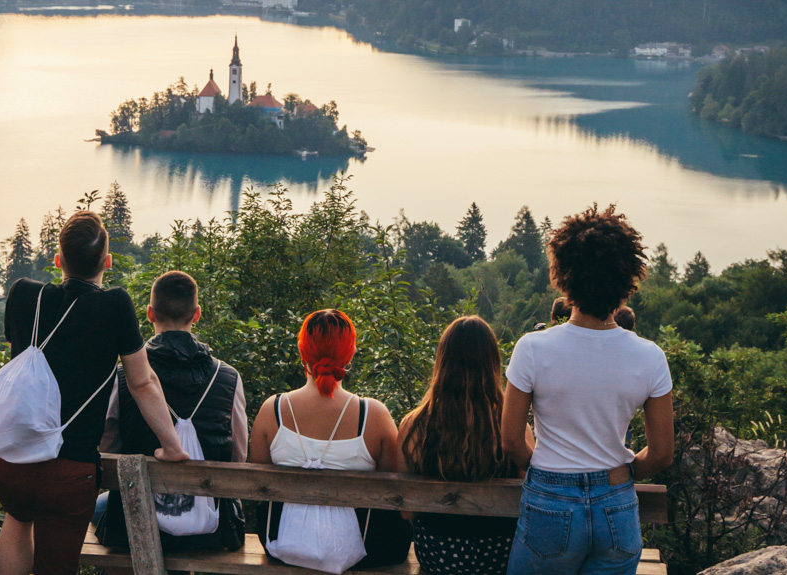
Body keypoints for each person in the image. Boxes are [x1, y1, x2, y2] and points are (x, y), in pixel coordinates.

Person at [0, 211, 188, 575]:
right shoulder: (114, 305)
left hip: (9, 461)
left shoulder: (22, 295)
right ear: (107, 262)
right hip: (69, 469)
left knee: (17, 519)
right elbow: (142, 383)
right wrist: (172, 445)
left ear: (58, 260)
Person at [501, 205, 675, 575]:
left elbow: (511, 441)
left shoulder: (532, 349)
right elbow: (661, 454)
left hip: (549, 501)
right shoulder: (650, 357)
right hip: (617, 506)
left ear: (563, 277)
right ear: (628, 280)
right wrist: (622, 474)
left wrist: (548, 473)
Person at [96, 270, 247, 551]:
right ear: (197, 313)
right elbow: (238, 454)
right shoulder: (228, 378)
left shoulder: (123, 376)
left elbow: (109, 446)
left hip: (132, 527)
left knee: (100, 505)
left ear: (150, 313)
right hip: (211, 530)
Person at [251, 309, 411, 570]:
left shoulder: (273, 410)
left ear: (302, 352)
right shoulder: (374, 415)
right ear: (350, 354)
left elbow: (260, 484)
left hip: (281, 544)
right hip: (363, 549)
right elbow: (389, 490)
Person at [398, 316, 534, 575]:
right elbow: (526, 503)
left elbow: (406, 511)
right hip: (498, 553)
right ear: (492, 364)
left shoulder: (414, 427)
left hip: (437, 552)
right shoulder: (514, 429)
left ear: (443, 362)